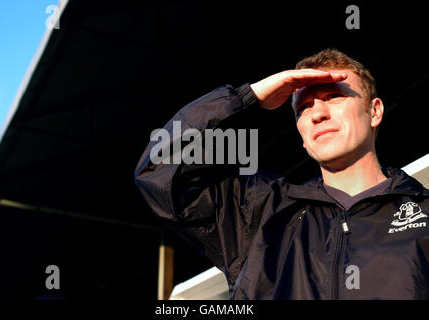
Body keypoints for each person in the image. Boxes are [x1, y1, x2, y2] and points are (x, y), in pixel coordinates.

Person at [134, 49, 429, 299]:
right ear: (301, 134)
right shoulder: (261, 214)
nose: (317, 113)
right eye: (304, 106)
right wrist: (249, 95)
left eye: (333, 96)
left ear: (374, 111)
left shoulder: (424, 214)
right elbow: (160, 168)